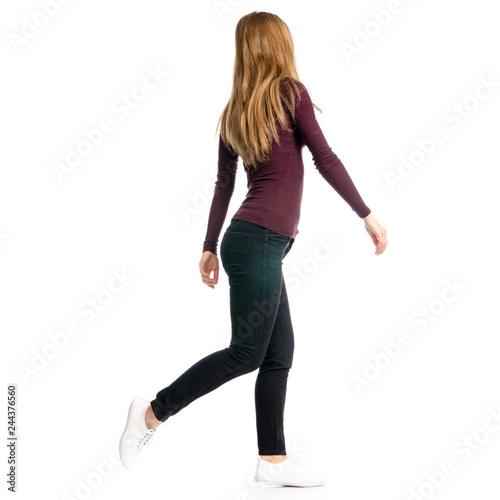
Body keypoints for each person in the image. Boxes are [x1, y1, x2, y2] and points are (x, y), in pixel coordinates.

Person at [119, 10, 387, 487]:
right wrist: (366, 213)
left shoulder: (237, 110)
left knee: (279, 351)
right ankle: (151, 414)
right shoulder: (290, 93)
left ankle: (272, 461)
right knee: (247, 352)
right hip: (257, 241)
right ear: (280, 45)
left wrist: (209, 246)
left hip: (253, 242)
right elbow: (323, 158)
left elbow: (224, 185)